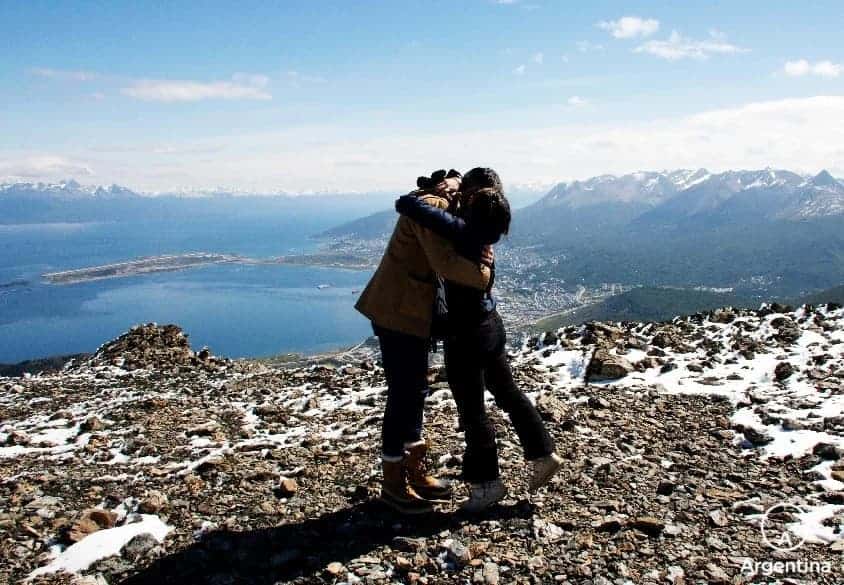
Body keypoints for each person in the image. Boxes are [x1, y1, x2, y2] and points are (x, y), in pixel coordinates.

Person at [395, 168, 562, 512]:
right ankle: (543, 454)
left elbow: (415, 209)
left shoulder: (464, 232)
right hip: (490, 323)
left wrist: (420, 196)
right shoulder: (488, 223)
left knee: (472, 410)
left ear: (471, 197)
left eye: (464, 193)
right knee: (508, 391)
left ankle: (487, 484)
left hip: (466, 332)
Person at [354, 170, 495, 514]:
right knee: (404, 392)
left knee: (414, 389)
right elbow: (444, 263)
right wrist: (485, 272)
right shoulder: (432, 205)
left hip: (409, 313)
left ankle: (413, 471)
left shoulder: (434, 205)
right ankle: (393, 483)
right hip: (398, 313)